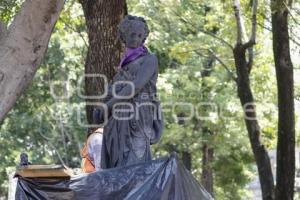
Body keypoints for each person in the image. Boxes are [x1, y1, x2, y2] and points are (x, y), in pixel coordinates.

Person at [93, 15, 164, 169]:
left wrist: (109, 105)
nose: (136, 38)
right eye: (132, 34)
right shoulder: (123, 67)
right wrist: (101, 108)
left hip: (137, 118)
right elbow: (111, 91)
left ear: (144, 37)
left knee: (134, 166)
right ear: (124, 36)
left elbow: (136, 85)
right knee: (117, 168)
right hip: (117, 122)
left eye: (140, 35)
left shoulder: (149, 60)